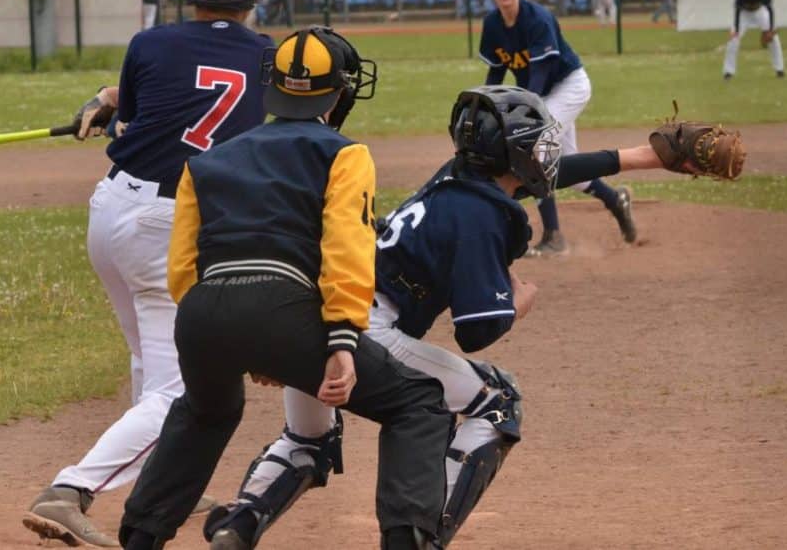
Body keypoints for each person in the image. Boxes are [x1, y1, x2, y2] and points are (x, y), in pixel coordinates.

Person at [205, 85, 745, 550]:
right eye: (535, 144)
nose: (544, 153)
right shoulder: (481, 217)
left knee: (309, 438)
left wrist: (644, 158)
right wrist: (518, 301)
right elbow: (477, 329)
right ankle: (423, 534)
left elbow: (551, 174)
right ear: (513, 156)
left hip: (318, 316)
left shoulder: (460, 177)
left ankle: (241, 522)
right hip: (368, 330)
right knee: (496, 401)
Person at [118, 27, 453, 550]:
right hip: (285, 306)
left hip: (203, 311)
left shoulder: (207, 160)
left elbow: (183, 268)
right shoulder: (344, 154)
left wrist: (234, 337)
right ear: (338, 92)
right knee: (419, 405)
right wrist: (341, 340)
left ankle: (141, 536)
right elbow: (347, 246)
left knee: (206, 412)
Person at [21, 0, 272, 548]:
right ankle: (70, 490)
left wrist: (104, 98)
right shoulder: (265, 54)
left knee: (150, 363)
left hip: (111, 211)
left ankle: (162, 483)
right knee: (182, 387)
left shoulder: (149, 42)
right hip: (169, 226)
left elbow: (137, 102)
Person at [478, 0, 636, 256]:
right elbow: (496, 72)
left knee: (533, 150)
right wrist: (489, 105)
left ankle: (553, 236)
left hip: (568, 85)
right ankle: (615, 200)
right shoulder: (492, 25)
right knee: (567, 168)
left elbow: (541, 73)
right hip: (544, 95)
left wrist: (523, 114)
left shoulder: (537, 19)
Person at [723, 0, 784, 80]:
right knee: (733, 40)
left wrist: (770, 29)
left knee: (774, 39)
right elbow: (737, 12)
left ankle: (779, 69)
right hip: (744, 15)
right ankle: (728, 72)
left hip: (760, 12)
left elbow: (770, 10)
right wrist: (736, 31)